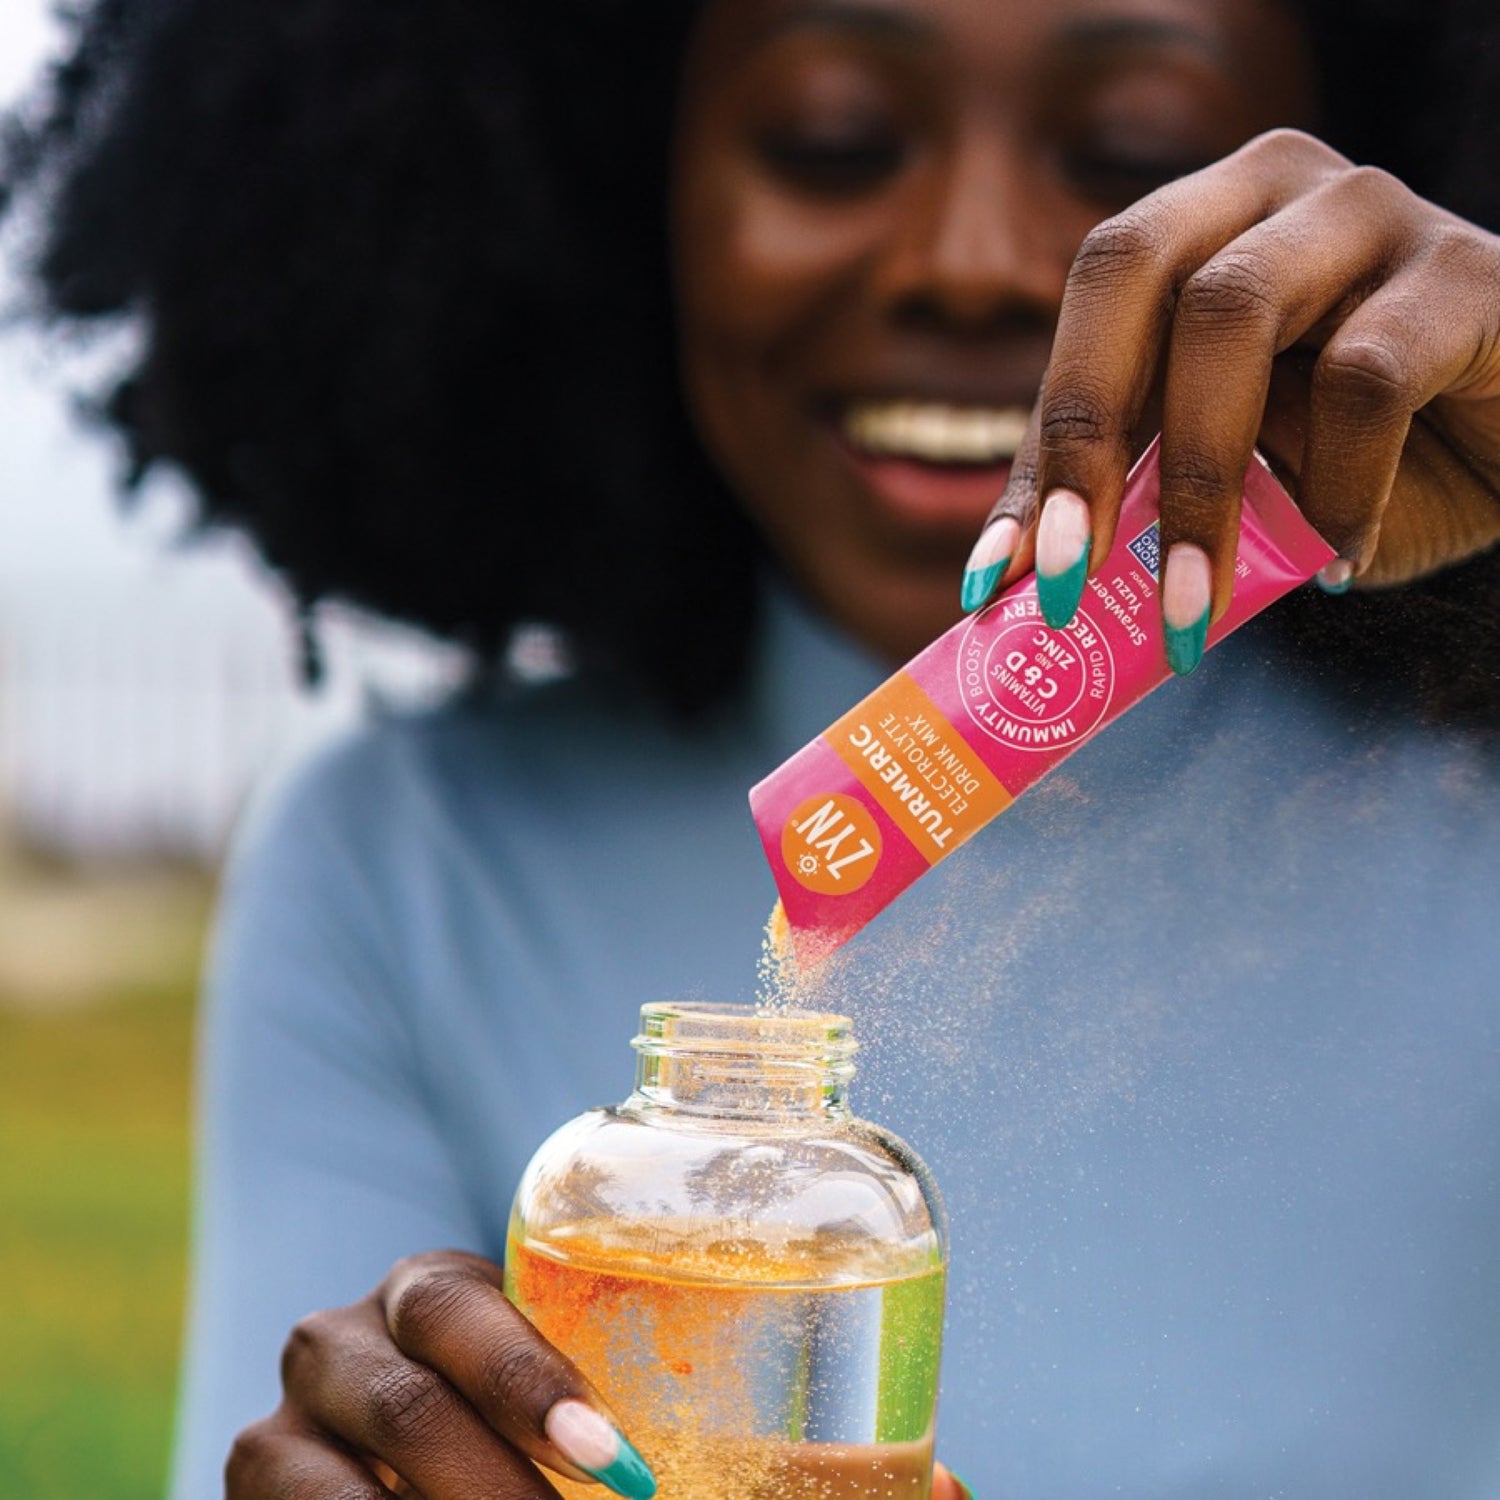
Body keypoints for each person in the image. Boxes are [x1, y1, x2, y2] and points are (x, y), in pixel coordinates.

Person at [6, 0, 1500, 1495]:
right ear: (619, 182)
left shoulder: (1469, 808)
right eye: (834, 142)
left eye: (1134, 157)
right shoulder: (406, 857)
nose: (971, 262)